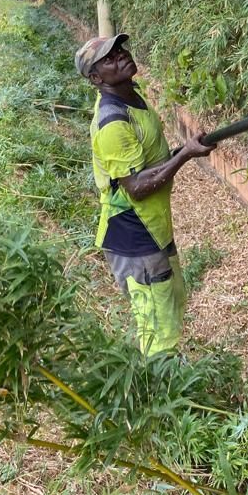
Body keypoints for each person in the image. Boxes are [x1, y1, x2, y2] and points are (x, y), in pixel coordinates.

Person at [75, 33, 215, 357]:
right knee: (157, 329)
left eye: (120, 49)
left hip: (152, 227)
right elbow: (136, 188)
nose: (121, 56)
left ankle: (171, 382)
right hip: (133, 236)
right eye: (109, 58)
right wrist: (185, 156)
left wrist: (185, 148)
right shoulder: (112, 122)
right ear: (96, 78)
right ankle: (161, 397)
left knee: (172, 304)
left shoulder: (131, 95)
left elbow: (151, 161)